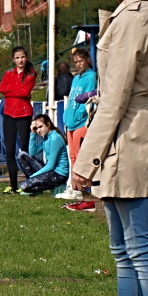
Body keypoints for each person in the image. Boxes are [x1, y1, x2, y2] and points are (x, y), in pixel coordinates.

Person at [71, 0, 148, 296]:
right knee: (125, 254)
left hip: (134, 143)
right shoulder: (126, 13)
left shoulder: (137, 16)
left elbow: (116, 98)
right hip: (124, 144)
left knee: (142, 253)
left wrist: (85, 162)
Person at [57, 48, 98, 202]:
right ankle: (74, 187)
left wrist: (79, 114)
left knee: (80, 156)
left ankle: (81, 188)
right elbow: (72, 98)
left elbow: (89, 100)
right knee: (73, 156)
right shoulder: (75, 79)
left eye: (80, 61)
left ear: (87, 60)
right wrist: (67, 115)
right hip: (70, 122)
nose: (78, 64)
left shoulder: (91, 77)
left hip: (81, 122)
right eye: (75, 62)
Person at [0, 46, 37, 194]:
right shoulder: (8, 73)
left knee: (24, 150)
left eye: (22, 57)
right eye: (17, 58)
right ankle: (13, 185)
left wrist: (11, 91)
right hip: (9, 114)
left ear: (26, 58)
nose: (20, 60)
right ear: (13, 60)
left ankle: (29, 183)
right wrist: (16, 90)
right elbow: (1, 88)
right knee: (9, 151)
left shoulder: (31, 74)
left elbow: (25, 92)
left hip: (23, 114)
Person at [16, 113, 69, 194]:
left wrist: (32, 177)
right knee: (22, 155)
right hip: (51, 171)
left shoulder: (55, 138)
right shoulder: (46, 138)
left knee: (24, 186)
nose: (38, 130)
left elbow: (51, 166)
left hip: (59, 175)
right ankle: (35, 186)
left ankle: (34, 186)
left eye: (40, 127)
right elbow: (32, 153)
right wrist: (32, 133)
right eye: (36, 128)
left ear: (48, 124)